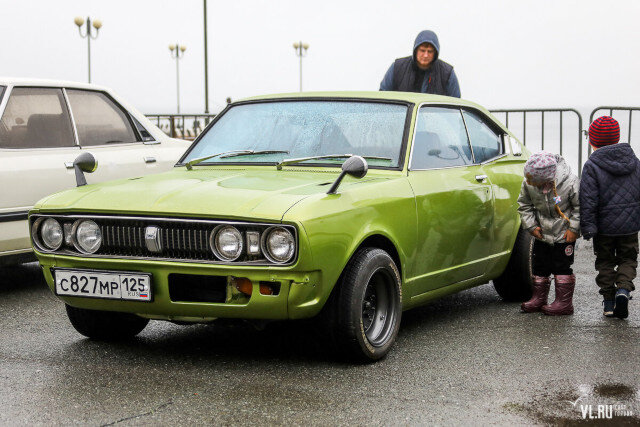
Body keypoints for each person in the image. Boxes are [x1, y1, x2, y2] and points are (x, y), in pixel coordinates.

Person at [580, 116, 640, 319]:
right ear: (617, 137)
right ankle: (623, 289)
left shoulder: (592, 165)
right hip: (630, 226)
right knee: (628, 258)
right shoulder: (633, 161)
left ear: (592, 141)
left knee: (604, 261)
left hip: (604, 226)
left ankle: (608, 302)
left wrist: (588, 227)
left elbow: (588, 199)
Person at [518, 151, 580, 315]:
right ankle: (539, 298)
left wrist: (573, 229)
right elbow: (524, 205)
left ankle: (564, 303)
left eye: (534, 182)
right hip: (542, 232)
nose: (531, 184)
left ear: (545, 178)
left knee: (562, 265)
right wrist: (531, 226)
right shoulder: (529, 182)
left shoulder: (570, 182)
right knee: (540, 264)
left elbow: (580, 208)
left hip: (564, 233)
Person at [379, 30, 461, 97]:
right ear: (416, 50)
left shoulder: (447, 73)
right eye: (422, 50)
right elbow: (383, 95)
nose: (425, 55)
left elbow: (456, 104)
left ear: (435, 53)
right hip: (400, 116)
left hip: (435, 116)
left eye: (430, 51)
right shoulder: (398, 67)